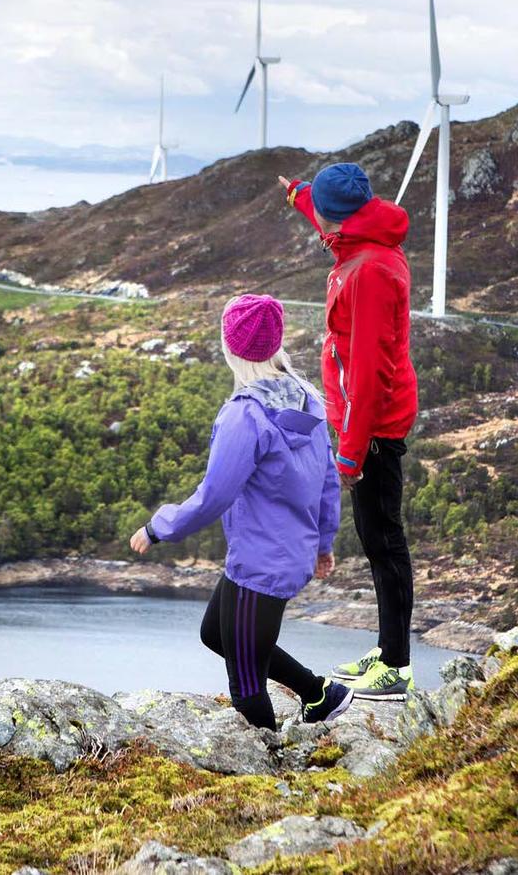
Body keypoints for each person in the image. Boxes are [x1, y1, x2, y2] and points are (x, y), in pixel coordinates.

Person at [130, 293, 351, 731]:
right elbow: (328, 479)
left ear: (231, 348)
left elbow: (214, 496)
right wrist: (323, 543)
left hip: (262, 566)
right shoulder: (307, 398)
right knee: (216, 633)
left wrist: (159, 528)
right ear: (276, 344)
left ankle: (272, 777)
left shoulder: (245, 416)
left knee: (247, 687)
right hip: (275, 554)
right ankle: (320, 693)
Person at [278, 163, 417, 701]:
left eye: (324, 219)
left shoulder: (372, 271)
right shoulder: (356, 230)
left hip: (375, 425)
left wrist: (351, 457)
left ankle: (397, 668)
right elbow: (320, 209)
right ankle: (386, 652)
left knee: (385, 542)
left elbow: (370, 373)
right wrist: (296, 191)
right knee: (376, 539)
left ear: (345, 221)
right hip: (362, 420)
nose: (322, 229)